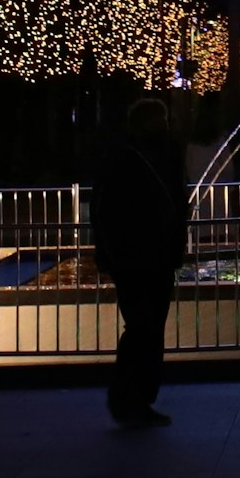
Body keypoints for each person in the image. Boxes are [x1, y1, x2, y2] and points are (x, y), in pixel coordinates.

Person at [93, 97, 190, 429]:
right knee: (145, 327)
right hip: (144, 256)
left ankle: (133, 398)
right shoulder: (140, 156)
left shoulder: (131, 155)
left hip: (141, 257)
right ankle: (131, 397)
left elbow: (103, 206)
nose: (165, 124)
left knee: (144, 327)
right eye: (161, 119)